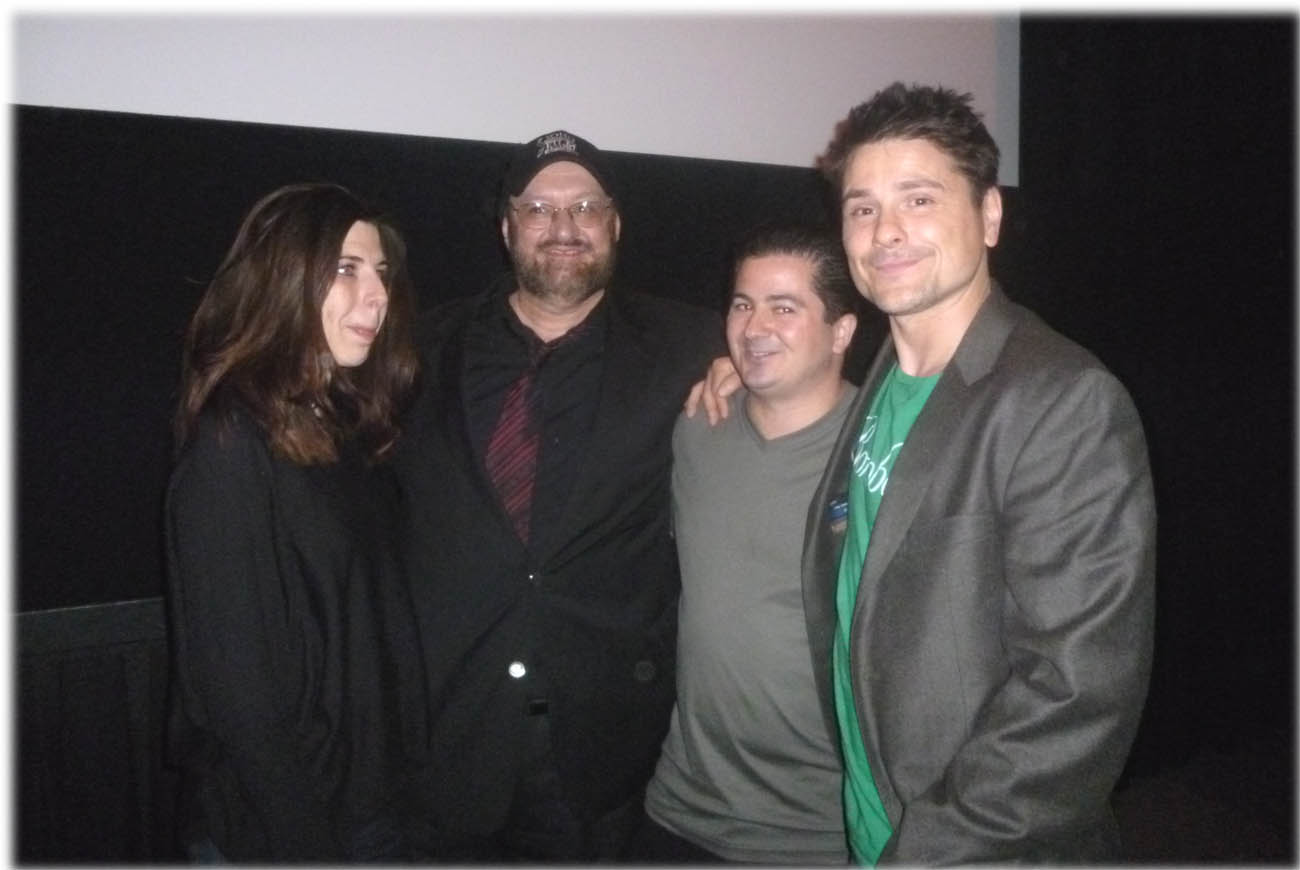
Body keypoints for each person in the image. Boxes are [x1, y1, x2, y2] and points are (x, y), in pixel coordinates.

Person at [695, 83, 1156, 864]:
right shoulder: (883, 377)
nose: (886, 233)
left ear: (990, 216)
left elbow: (1077, 698)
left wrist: (924, 852)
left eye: (918, 198)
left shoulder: (1061, 399)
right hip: (870, 825)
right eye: (863, 208)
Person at [394, 130, 724, 860]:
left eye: (585, 207)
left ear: (615, 224)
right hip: (444, 734)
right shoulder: (417, 348)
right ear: (507, 226)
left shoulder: (693, 346)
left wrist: (749, 381)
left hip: (602, 750)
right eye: (540, 209)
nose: (564, 227)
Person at [164, 183, 426, 862]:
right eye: (345, 270)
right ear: (285, 276)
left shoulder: (347, 428)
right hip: (293, 828)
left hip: (373, 808)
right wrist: (305, 842)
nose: (375, 296)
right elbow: (237, 690)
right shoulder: (233, 441)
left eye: (381, 275)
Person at [627, 225, 860, 864]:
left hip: (819, 833)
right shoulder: (699, 429)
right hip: (681, 806)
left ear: (841, 332)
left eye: (785, 308)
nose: (755, 327)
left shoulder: (880, 457)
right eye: (741, 304)